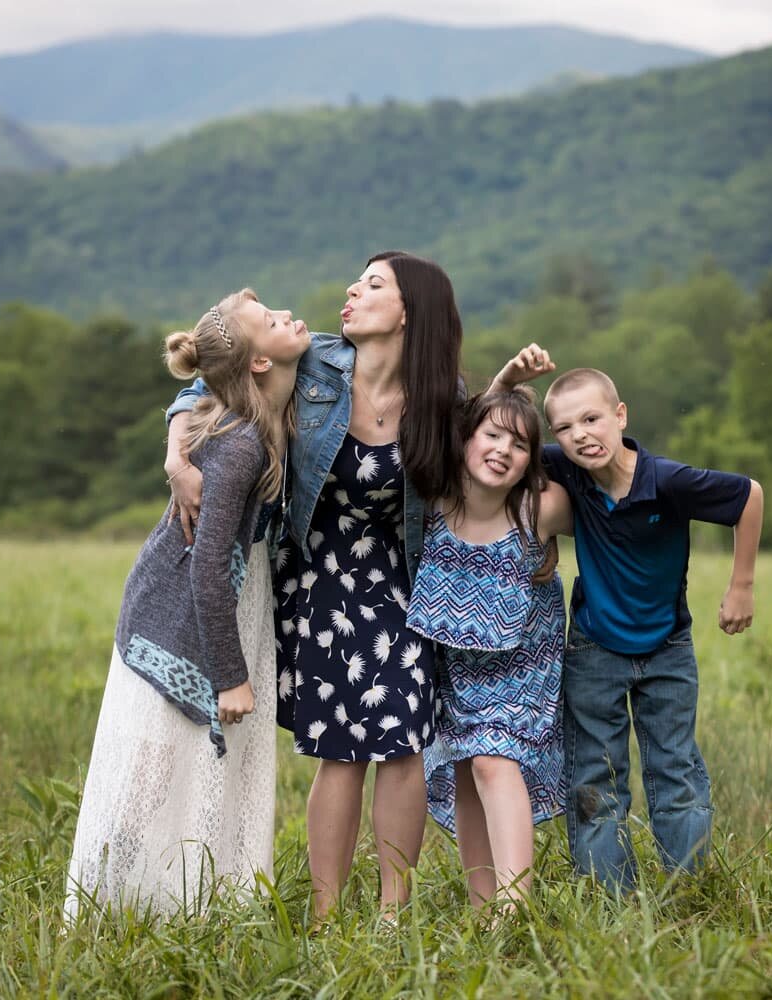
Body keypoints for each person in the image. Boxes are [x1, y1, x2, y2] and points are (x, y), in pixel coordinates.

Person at [166, 252, 465, 922]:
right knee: (342, 750)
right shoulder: (318, 367)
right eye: (358, 279)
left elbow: (501, 447)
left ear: (410, 312)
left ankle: (394, 913)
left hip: (397, 581)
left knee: (405, 736)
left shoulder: (443, 400)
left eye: (374, 284)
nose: (353, 290)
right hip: (315, 578)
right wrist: (174, 452)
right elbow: (209, 384)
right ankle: (326, 914)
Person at [64, 290, 309, 920]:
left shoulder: (261, 406)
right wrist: (230, 676)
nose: (287, 316)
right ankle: (109, 905)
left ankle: (184, 903)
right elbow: (206, 565)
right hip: (181, 610)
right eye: (271, 321)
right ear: (258, 363)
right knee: (153, 768)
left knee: (186, 767)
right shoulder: (241, 445)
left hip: (216, 599)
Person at [499, 353, 764, 894]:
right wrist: (507, 382)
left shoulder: (668, 481)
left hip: (668, 647)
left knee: (675, 766)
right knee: (596, 776)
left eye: (592, 419)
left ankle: (686, 888)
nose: (580, 435)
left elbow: (749, 496)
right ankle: (608, 892)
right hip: (594, 650)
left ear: (621, 415)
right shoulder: (567, 469)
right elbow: (486, 437)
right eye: (565, 428)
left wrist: (742, 585)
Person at [410, 388, 572, 911]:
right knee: (465, 769)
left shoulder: (538, 510)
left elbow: (616, 510)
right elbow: (439, 425)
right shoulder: (433, 504)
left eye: (520, 444)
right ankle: (485, 907)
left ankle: (515, 905)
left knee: (492, 762)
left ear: (532, 462)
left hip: (525, 665)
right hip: (456, 672)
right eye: (492, 435)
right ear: (466, 441)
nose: (503, 449)